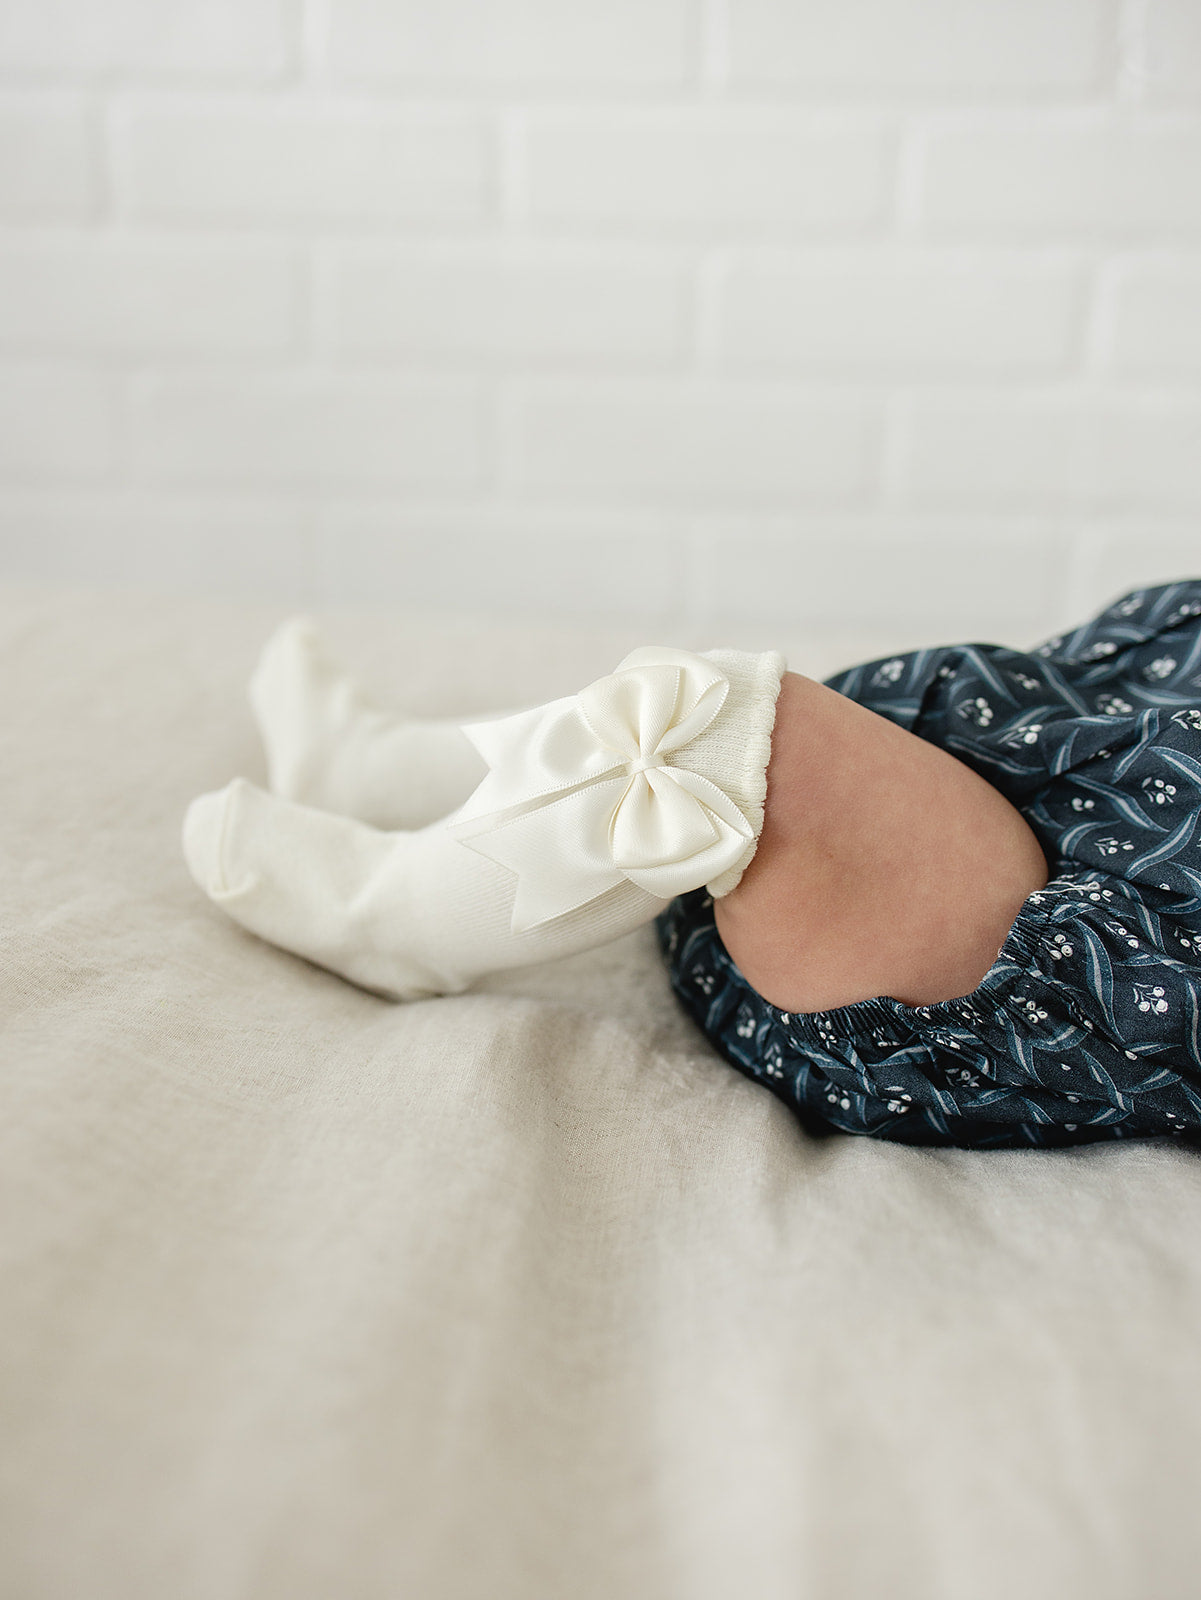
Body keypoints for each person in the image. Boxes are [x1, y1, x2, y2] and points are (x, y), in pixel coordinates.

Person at [183, 580, 1201, 1151]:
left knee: (711, 734)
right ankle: (383, 769)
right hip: (993, 826)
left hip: (982, 989)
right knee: (698, 716)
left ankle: (393, 919)